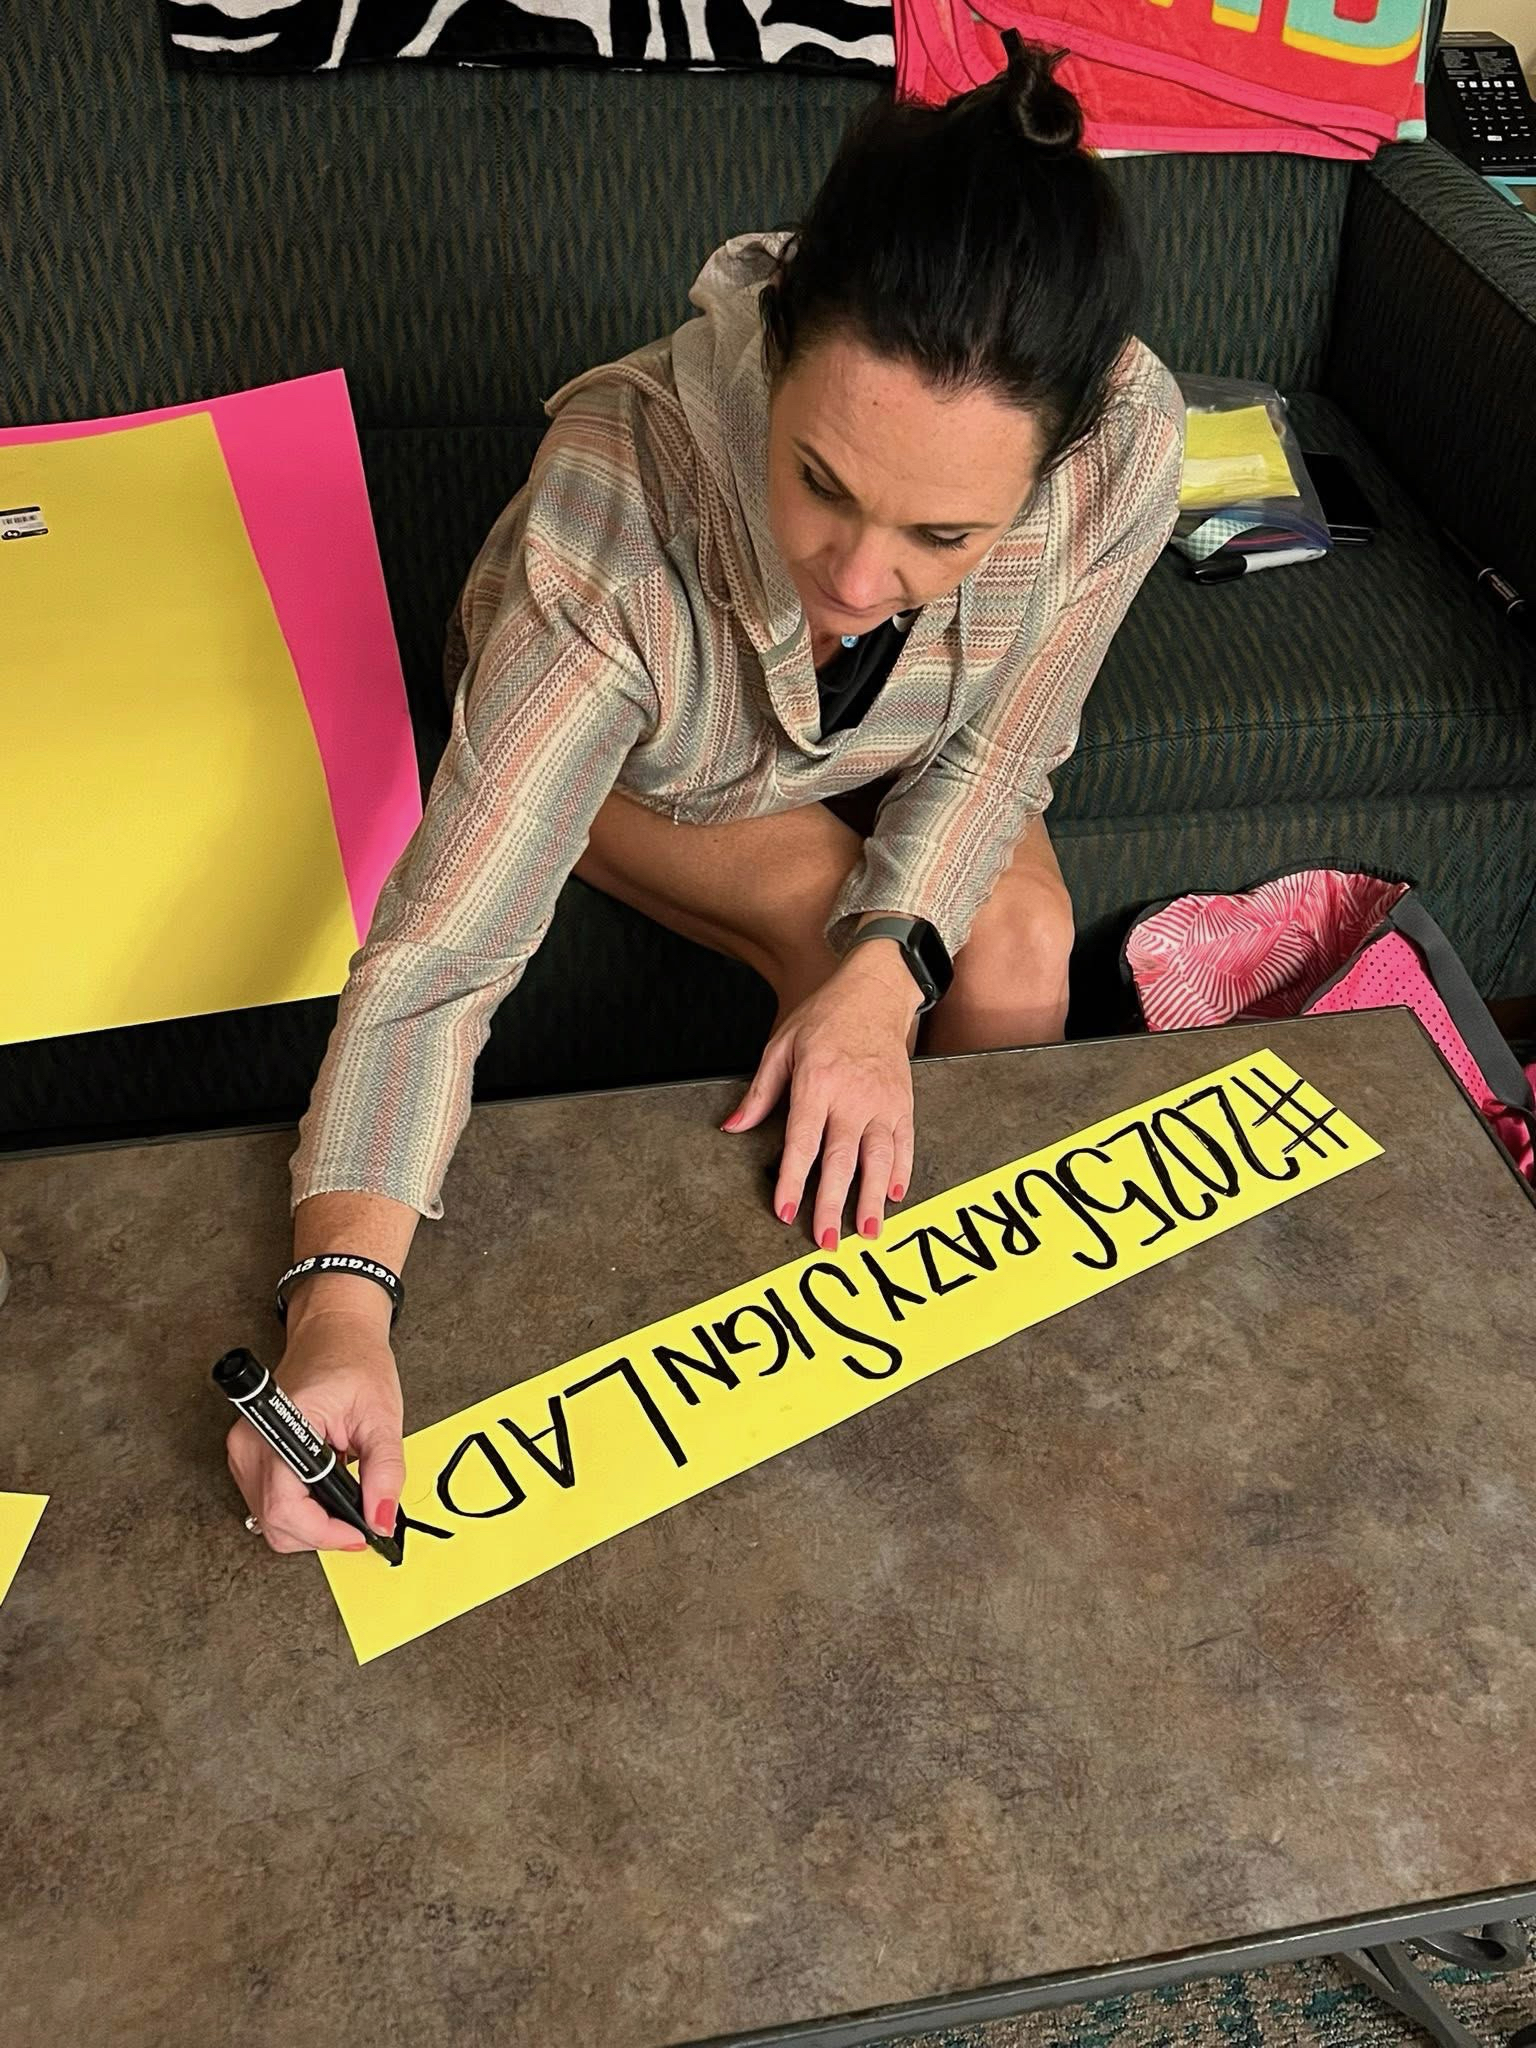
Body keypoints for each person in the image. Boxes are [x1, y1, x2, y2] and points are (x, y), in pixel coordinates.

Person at [229, 34, 1184, 1555]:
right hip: (661, 761)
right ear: (775, 357)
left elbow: (1006, 747)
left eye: (943, 535)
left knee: (1004, 953)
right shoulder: (611, 509)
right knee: (828, 948)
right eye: (818, 482)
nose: (864, 581)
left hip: (904, 746)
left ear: (1055, 461)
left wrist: (899, 967)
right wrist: (342, 1305)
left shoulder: (1129, 440)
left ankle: (985, 1373)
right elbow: (447, 952)